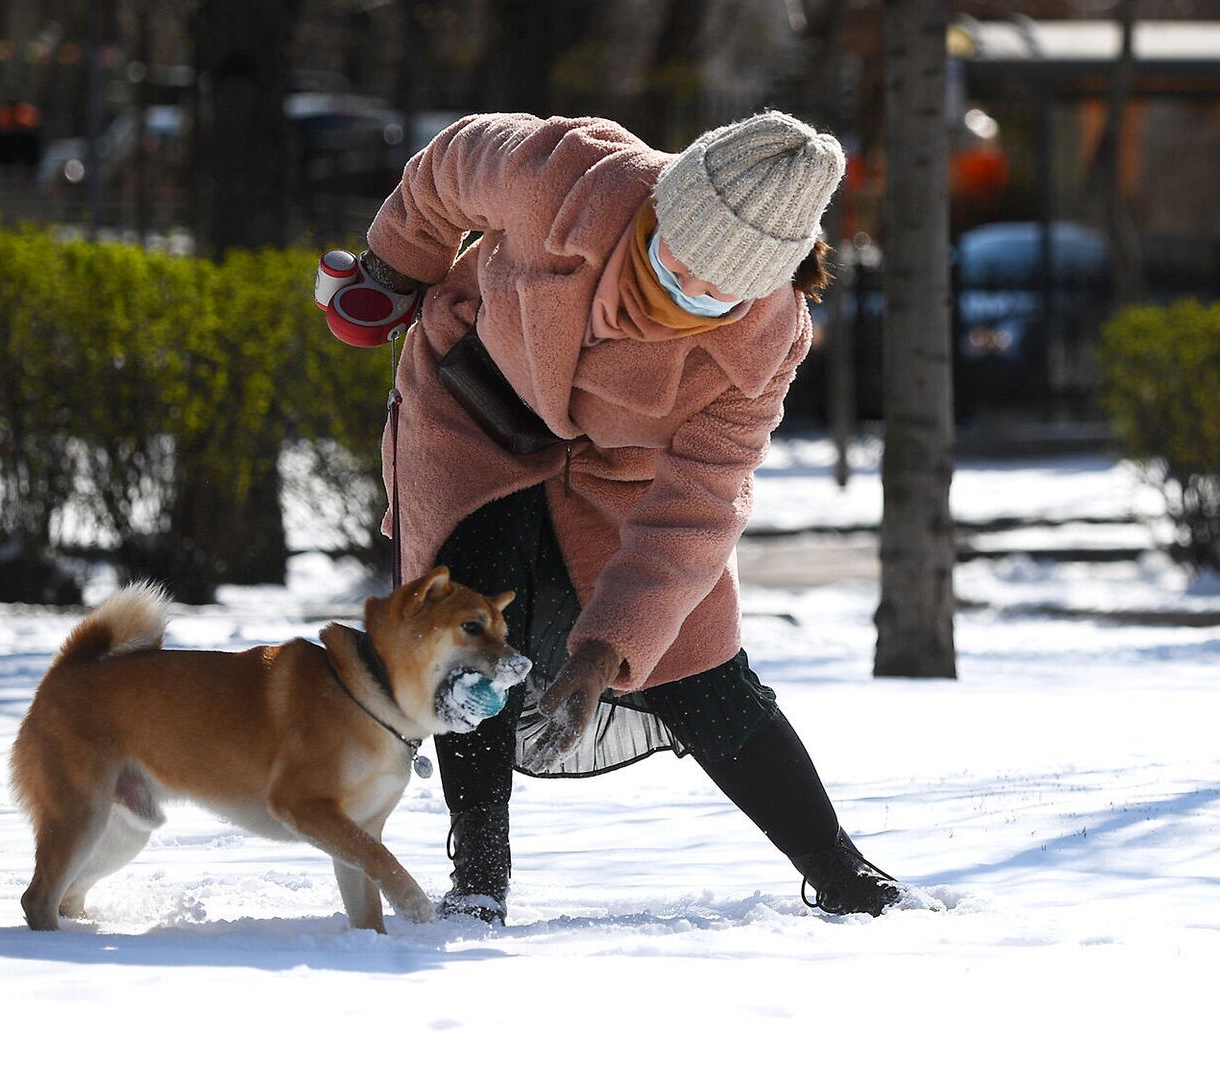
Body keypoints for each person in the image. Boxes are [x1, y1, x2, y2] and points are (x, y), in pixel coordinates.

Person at [358, 111, 903, 923]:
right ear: (659, 206)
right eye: (678, 264)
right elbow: (446, 167)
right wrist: (395, 267)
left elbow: (701, 504)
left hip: (619, 470)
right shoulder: (566, 177)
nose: (692, 296)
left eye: (725, 291)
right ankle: (479, 869)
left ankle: (840, 870)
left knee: (696, 657)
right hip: (476, 408)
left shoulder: (766, 343)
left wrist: (608, 650)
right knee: (466, 615)